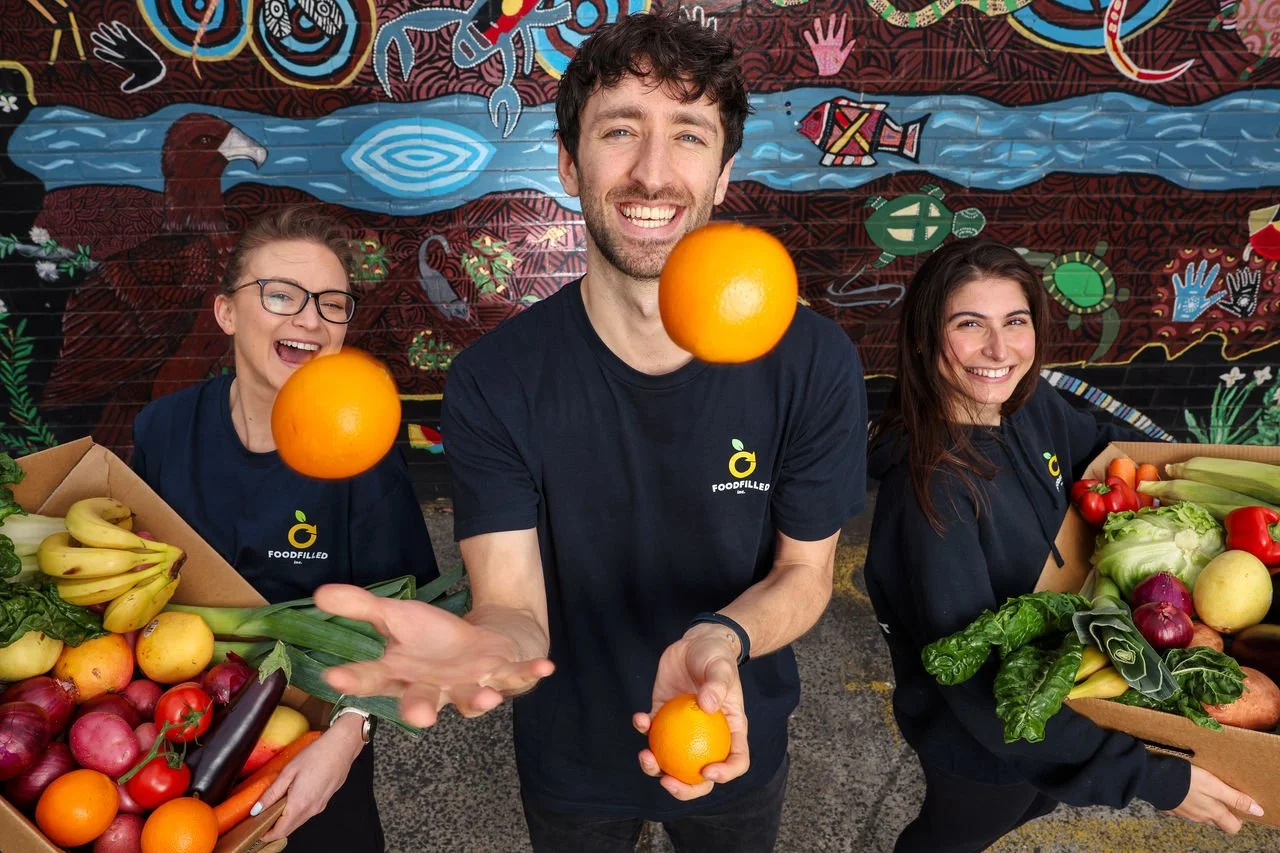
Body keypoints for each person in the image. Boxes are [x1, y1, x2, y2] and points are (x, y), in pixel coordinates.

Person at [311, 12, 867, 852]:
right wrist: (486, 644)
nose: (652, 173)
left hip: (731, 730)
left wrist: (723, 636)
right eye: (619, 130)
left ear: (723, 174)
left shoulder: (813, 359)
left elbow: (805, 571)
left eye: (688, 135)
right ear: (569, 162)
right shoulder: (495, 380)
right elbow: (512, 601)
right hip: (570, 757)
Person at [862, 237, 1262, 853]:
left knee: (1033, 801)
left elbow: (1099, 447)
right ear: (923, 337)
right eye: (970, 325)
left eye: (1015, 322)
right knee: (957, 834)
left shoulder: (1027, 406)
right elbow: (976, 683)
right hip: (984, 738)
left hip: (1063, 710)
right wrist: (1152, 778)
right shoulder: (932, 496)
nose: (1000, 350)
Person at [131, 206, 439, 851]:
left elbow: (408, 612)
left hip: (313, 742)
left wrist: (349, 735)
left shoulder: (365, 451)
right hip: (166, 727)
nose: (310, 318)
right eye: (281, 294)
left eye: (332, 303)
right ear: (226, 312)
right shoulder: (162, 430)